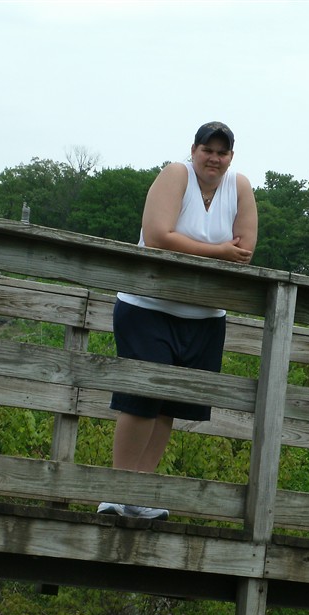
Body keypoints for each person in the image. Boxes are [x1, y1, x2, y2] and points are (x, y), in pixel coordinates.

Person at [97, 121, 258, 520]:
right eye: (207, 150)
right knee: (141, 399)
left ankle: (139, 495)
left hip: (204, 317)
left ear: (231, 157)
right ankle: (114, 493)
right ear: (194, 150)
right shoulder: (175, 175)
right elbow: (157, 237)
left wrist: (202, 248)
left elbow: (245, 252)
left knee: (169, 404)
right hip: (147, 308)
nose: (214, 158)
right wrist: (218, 251)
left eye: (222, 152)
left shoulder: (239, 187)